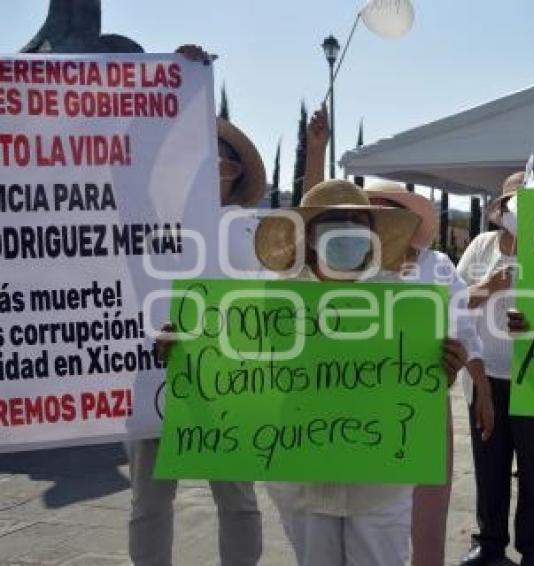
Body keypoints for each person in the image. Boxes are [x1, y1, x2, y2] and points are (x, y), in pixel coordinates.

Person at [134, 44, 325, 566]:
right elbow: (125, 152)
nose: (207, 165)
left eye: (218, 158)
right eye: (194, 151)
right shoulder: (149, 215)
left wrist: (315, 152)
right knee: (150, 500)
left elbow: (308, 227)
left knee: (236, 498)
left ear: (236, 171)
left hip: (227, 374)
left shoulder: (250, 227)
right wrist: (171, 83)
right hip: (155, 368)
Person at [252, 179, 470, 566]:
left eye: (358, 220)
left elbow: (421, 377)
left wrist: (445, 369)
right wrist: (185, 350)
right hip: (301, 477)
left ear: (372, 233)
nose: (348, 229)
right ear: (309, 233)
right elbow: (238, 366)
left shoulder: (403, 300)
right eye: (334, 220)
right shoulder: (270, 295)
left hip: (380, 481)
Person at [365, 182, 495, 566]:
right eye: (371, 215)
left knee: (429, 520)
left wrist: (483, 391)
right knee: (371, 524)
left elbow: (466, 330)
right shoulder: (346, 267)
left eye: (388, 213)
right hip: (364, 410)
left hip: (426, 407)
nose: (380, 223)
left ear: (407, 220)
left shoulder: (437, 265)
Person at [458, 173, 534, 566]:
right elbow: (454, 304)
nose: (518, 212)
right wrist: (489, 286)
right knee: (489, 465)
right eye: (513, 204)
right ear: (499, 211)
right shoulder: (481, 246)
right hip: (488, 378)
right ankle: (489, 542)